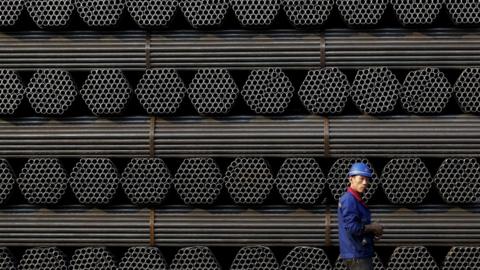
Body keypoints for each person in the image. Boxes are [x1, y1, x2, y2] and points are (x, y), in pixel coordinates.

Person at [337, 162, 384, 270]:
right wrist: (372, 227)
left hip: (359, 253)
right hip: (357, 255)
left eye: (367, 179)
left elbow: (358, 224)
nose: (365, 182)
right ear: (351, 179)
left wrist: (373, 232)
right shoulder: (349, 200)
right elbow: (353, 228)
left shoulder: (355, 199)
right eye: (361, 178)